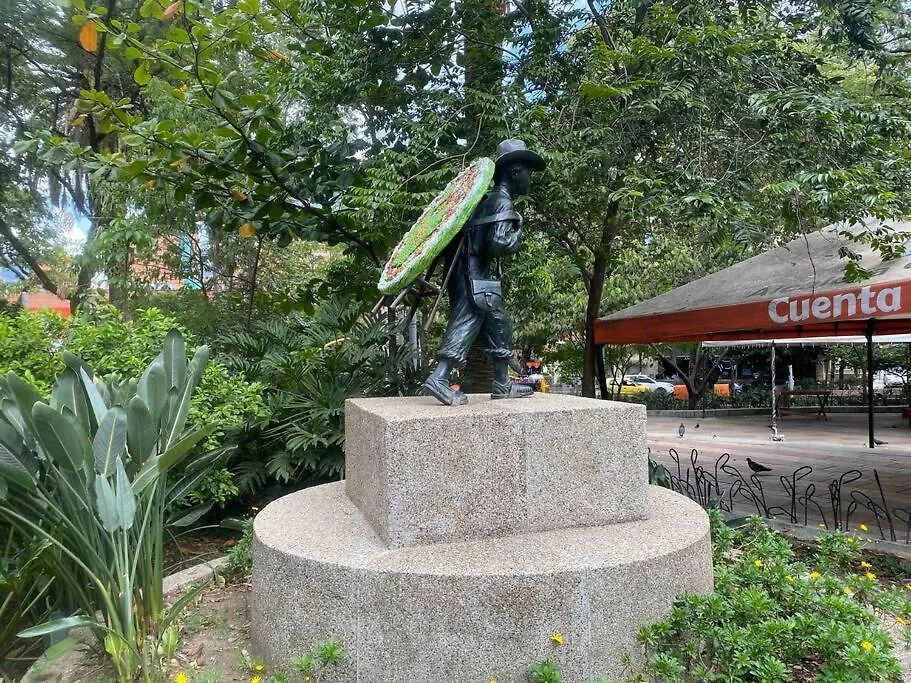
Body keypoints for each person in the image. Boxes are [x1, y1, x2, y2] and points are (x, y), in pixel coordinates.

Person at [424, 139, 546, 406]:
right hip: (474, 276)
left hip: (467, 273)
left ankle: (502, 383)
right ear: (515, 172)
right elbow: (498, 243)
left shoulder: (484, 200)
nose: (530, 178)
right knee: (467, 320)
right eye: (527, 172)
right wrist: (517, 231)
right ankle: (439, 377)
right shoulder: (502, 202)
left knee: (498, 322)